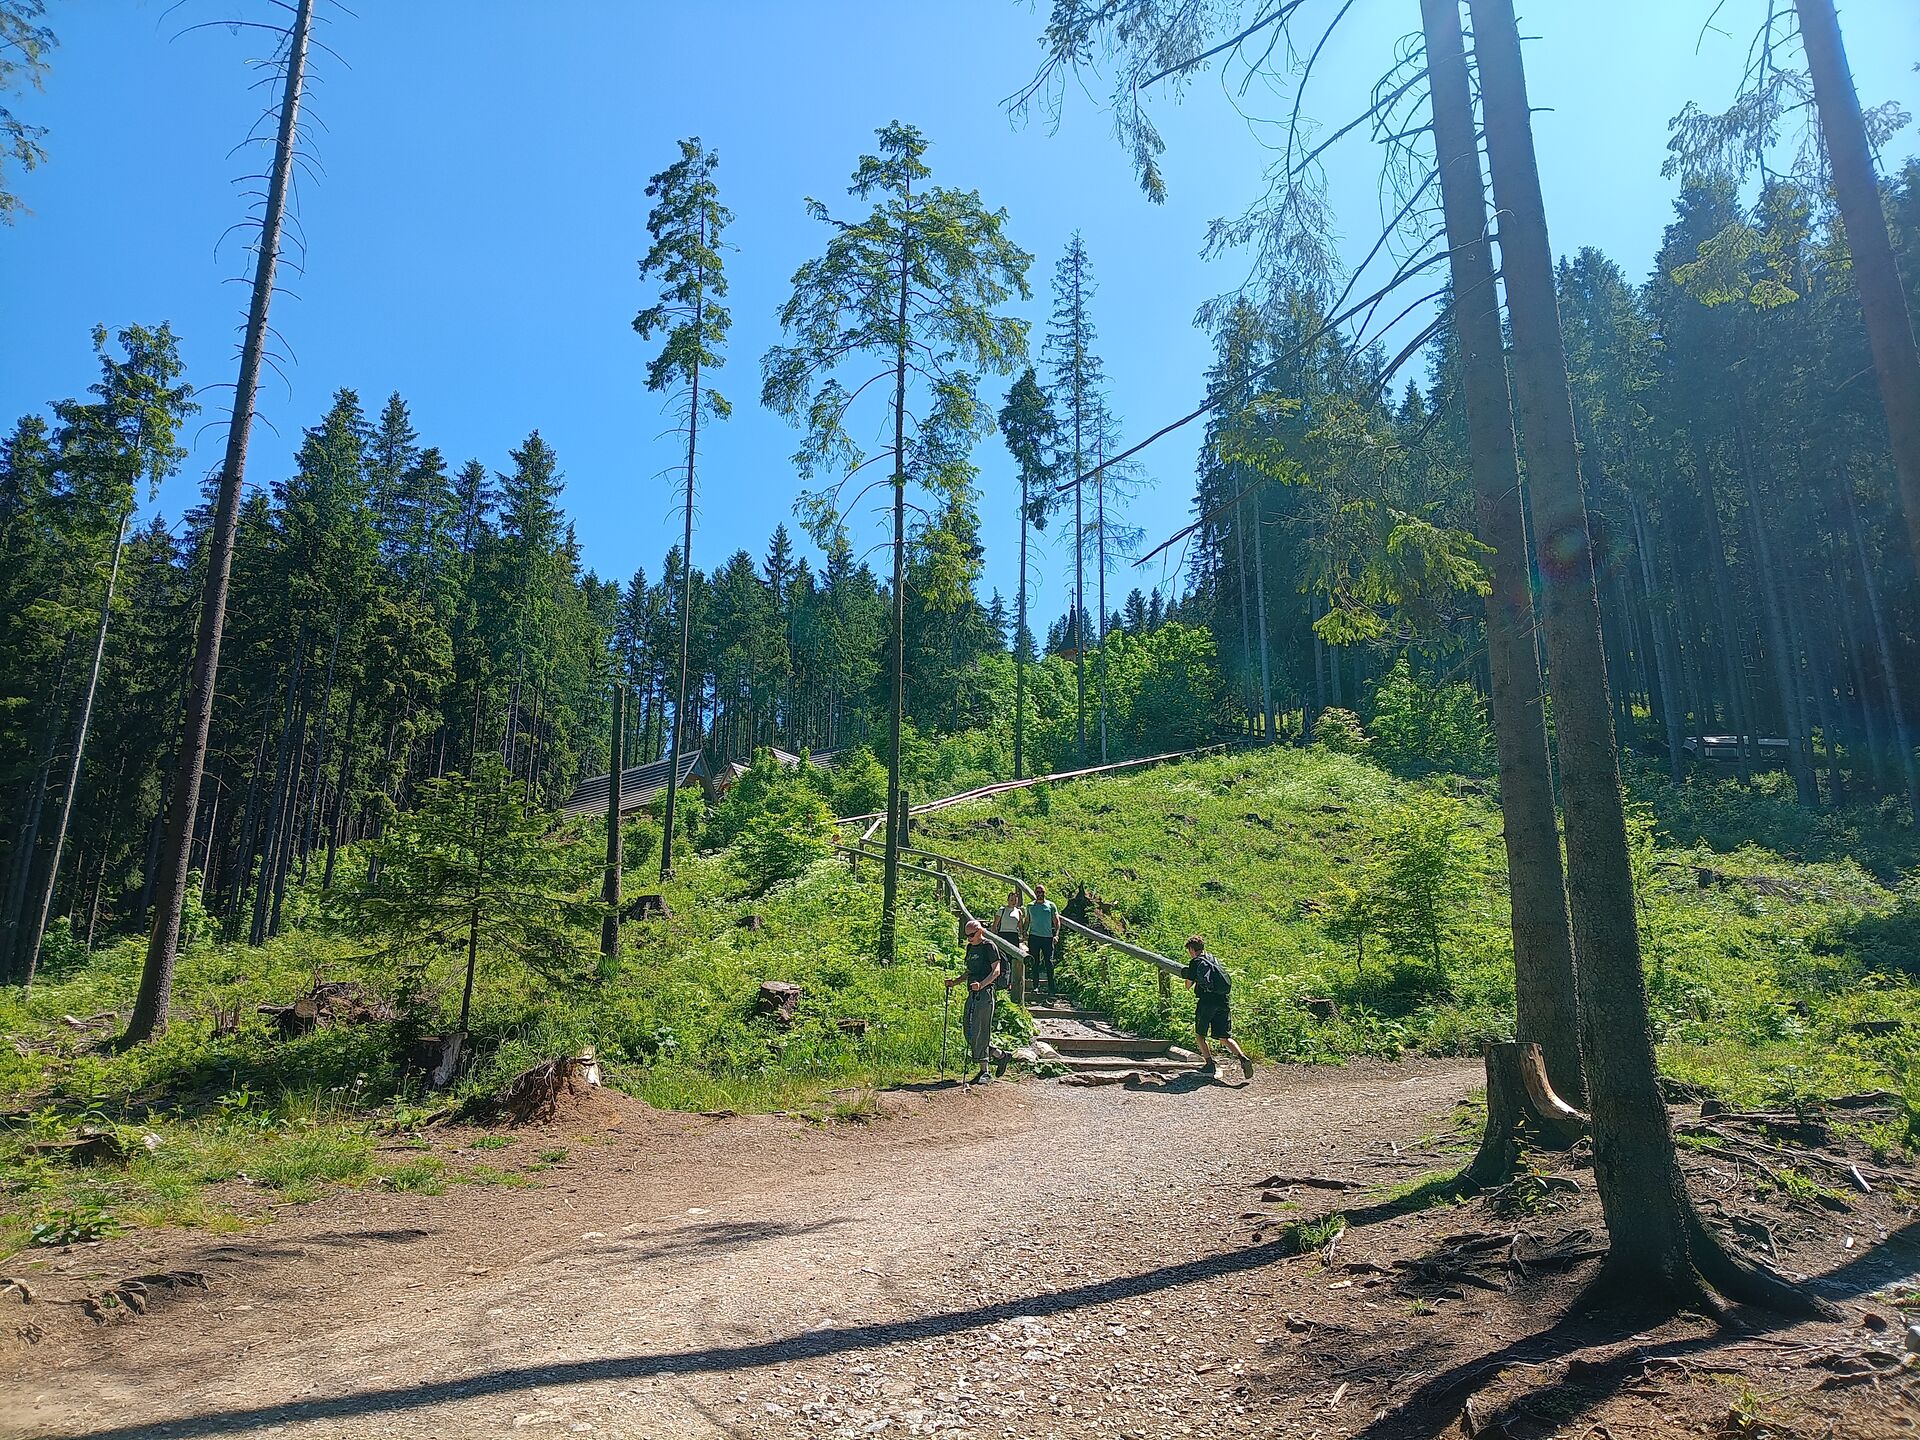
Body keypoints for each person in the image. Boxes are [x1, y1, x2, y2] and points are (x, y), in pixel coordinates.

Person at [1183, 935, 1253, 1080]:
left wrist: (1190, 979)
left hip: (1207, 1002)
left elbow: (1188, 985)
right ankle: (1243, 1058)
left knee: (1200, 1035)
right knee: (1225, 1037)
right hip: (1223, 1000)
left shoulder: (1196, 962)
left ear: (1191, 949)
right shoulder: (1212, 959)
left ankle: (1209, 1064)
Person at [946, 918, 1001, 1084]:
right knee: (969, 1029)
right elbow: (969, 972)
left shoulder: (989, 946)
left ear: (980, 931)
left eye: (971, 935)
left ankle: (985, 1071)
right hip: (972, 993)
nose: (969, 938)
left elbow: (996, 971)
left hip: (985, 993)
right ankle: (999, 1055)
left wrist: (982, 985)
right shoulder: (970, 948)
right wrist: (954, 982)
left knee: (981, 1029)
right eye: (967, 935)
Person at [1025, 883, 1059, 994]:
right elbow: (1027, 920)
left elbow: (1056, 921)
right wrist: (1024, 932)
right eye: (1038, 892)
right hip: (1034, 937)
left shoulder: (1051, 905)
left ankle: (1051, 988)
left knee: (1049, 962)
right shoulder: (1030, 906)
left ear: (1045, 893)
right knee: (1035, 962)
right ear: (1035, 893)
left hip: (1047, 937)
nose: (1040, 894)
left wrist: (1056, 934)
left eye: (1042, 892)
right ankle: (1035, 986)